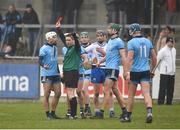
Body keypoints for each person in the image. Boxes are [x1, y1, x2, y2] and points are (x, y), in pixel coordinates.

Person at [121, 23, 157, 123]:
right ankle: (149, 112)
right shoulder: (147, 41)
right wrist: (152, 70)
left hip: (135, 71)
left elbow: (130, 58)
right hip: (145, 70)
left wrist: (126, 71)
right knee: (146, 93)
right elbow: (154, 58)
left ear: (132, 31)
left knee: (131, 95)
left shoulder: (131, 42)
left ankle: (128, 116)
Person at [56, 20, 88, 119]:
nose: (67, 41)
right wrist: (58, 29)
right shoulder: (69, 48)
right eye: (67, 40)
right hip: (67, 72)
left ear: (73, 40)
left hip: (72, 72)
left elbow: (78, 44)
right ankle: (73, 114)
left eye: (69, 40)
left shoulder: (76, 48)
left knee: (71, 93)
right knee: (70, 93)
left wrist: (74, 37)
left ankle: (73, 114)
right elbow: (62, 38)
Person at [95, 23, 127, 119]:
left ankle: (101, 112)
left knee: (106, 90)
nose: (107, 30)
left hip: (113, 69)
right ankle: (125, 111)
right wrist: (100, 61)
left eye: (110, 28)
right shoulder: (110, 41)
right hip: (108, 68)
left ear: (115, 31)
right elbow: (108, 55)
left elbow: (123, 57)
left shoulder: (119, 42)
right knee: (115, 90)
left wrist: (125, 71)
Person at [85, 30, 115, 118]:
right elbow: (82, 52)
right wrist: (88, 60)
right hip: (96, 69)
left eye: (101, 36)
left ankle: (111, 110)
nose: (99, 37)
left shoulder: (109, 45)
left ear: (105, 37)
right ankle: (97, 111)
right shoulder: (93, 45)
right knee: (96, 93)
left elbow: (111, 56)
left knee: (108, 91)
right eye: (98, 36)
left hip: (106, 68)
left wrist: (102, 52)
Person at [39, 31, 61, 120]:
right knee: (46, 94)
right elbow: (40, 60)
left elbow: (55, 62)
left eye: (56, 37)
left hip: (55, 74)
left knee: (58, 93)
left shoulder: (55, 47)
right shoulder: (43, 48)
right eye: (54, 37)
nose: (56, 39)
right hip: (46, 74)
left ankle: (53, 113)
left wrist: (59, 72)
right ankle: (48, 114)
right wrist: (44, 65)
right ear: (49, 39)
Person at [157, 37, 176, 105]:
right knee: (163, 88)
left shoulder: (174, 50)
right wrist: (162, 69)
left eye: (171, 42)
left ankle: (169, 102)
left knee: (171, 89)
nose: (170, 43)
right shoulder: (162, 51)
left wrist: (173, 70)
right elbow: (158, 60)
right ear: (167, 42)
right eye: (169, 42)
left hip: (172, 73)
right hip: (164, 73)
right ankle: (160, 102)